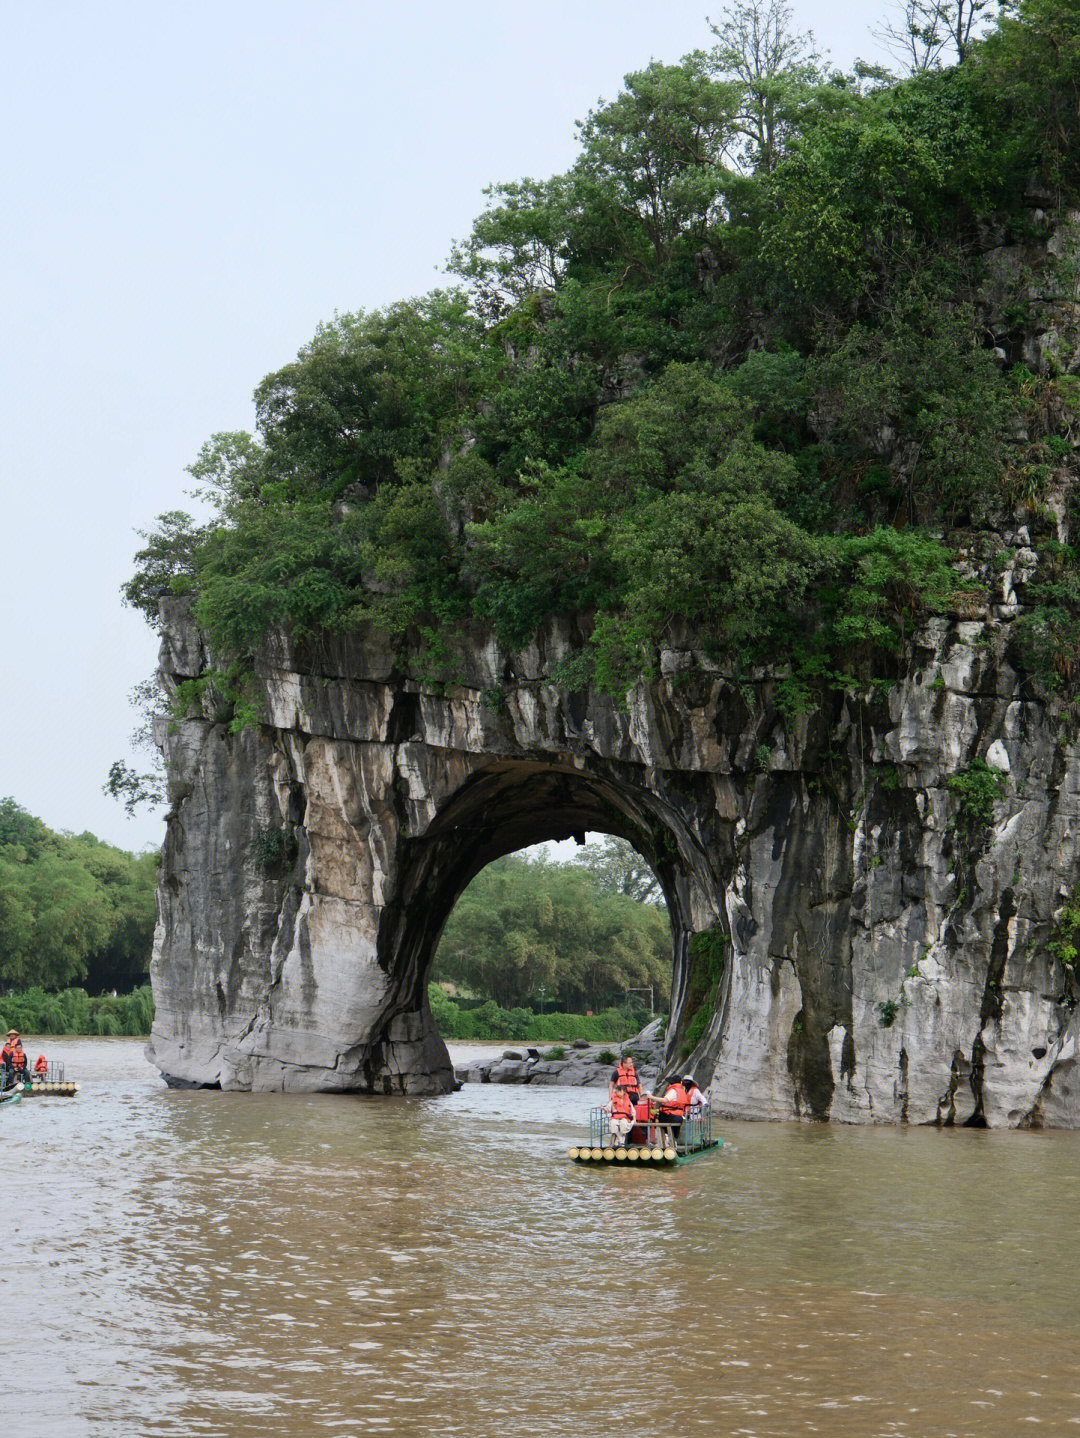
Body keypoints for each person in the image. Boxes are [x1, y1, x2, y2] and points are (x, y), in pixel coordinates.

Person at [658, 1075, 691, 1151]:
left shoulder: (673, 1090)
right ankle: (671, 1143)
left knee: (659, 1122)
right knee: (669, 1127)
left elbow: (665, 1100)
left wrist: (651, 1097)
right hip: (678, 1116)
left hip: (670, 1116)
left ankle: (664, 1145)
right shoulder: (682, 1090)